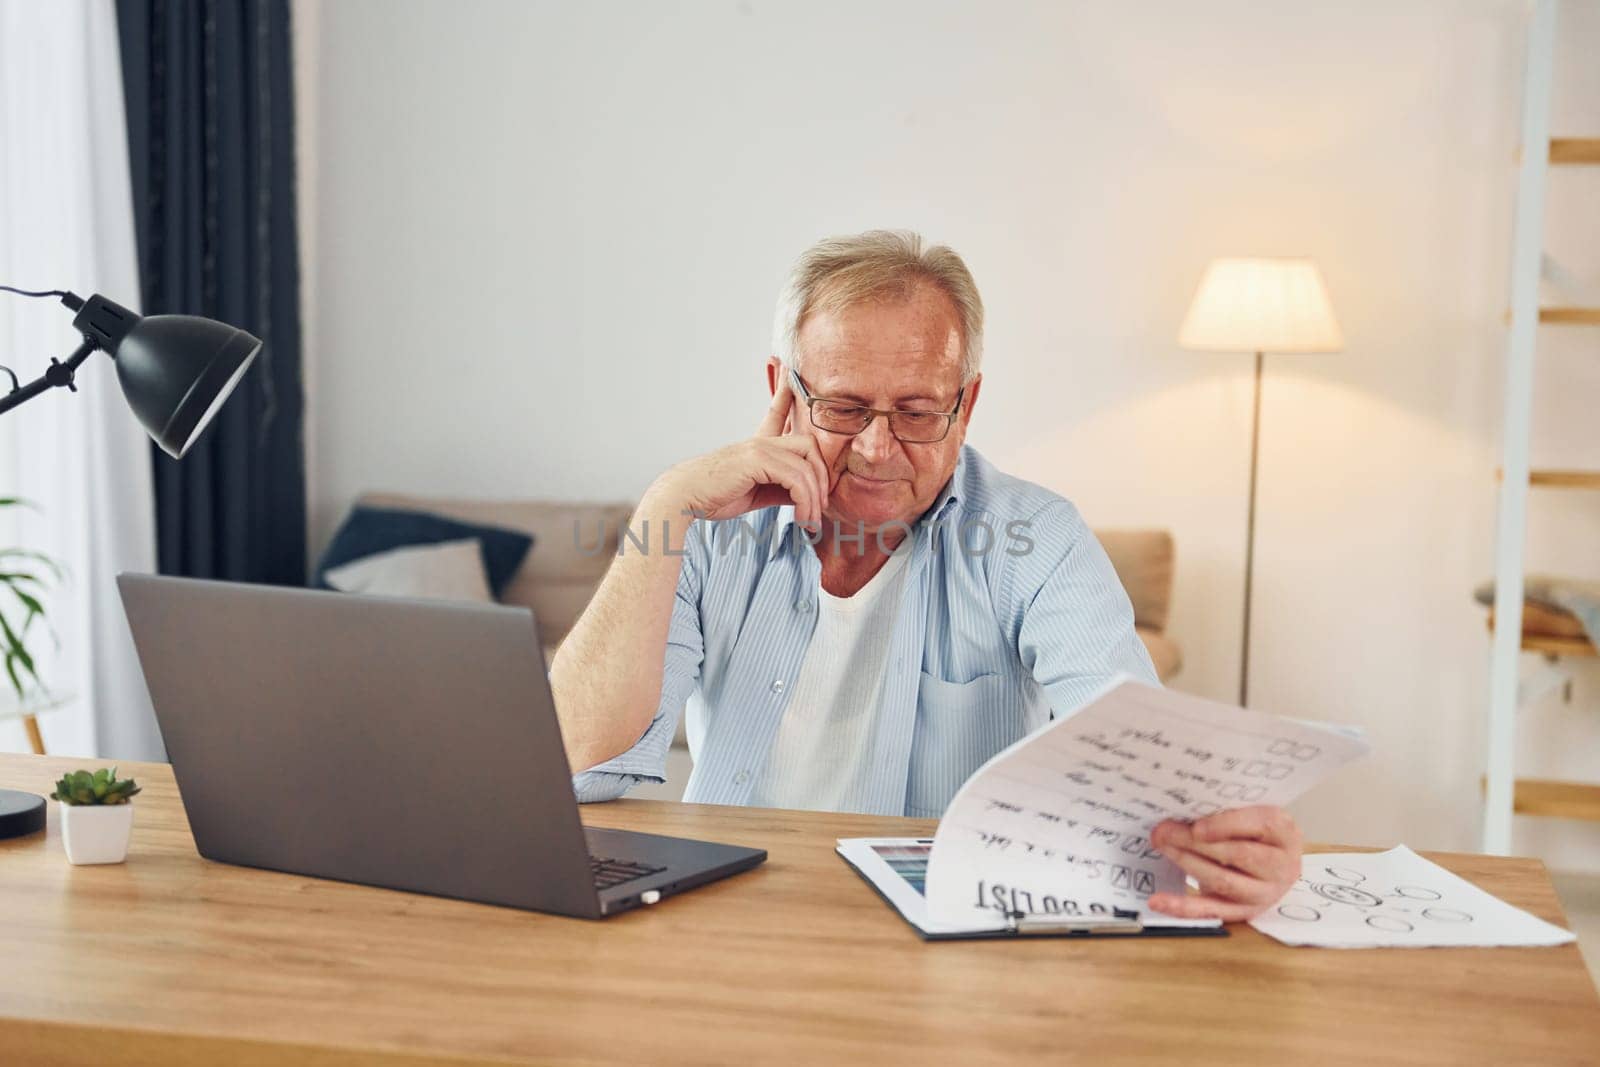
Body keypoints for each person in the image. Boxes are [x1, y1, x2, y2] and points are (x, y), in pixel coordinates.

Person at [549, 230, 1301, 920]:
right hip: (723, 917)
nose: (877, 447)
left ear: (966, 404)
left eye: (915, 412)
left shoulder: (1037, 539)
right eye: (843, 407)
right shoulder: (710, 529)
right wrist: (666, 503)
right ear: (782, 390)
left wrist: (1221, 847)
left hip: (934, 929)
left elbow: (1133, 755)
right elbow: (578, 761)